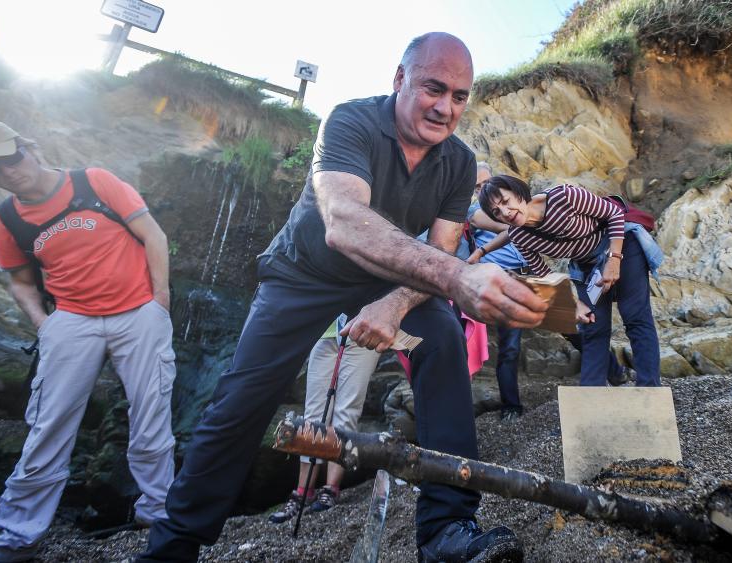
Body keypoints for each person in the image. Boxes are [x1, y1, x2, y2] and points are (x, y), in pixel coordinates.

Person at [139, 33, 548, 563]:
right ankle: (175, 542)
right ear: (400, 79)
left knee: (443, 337)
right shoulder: (350, 121)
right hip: (304, 271)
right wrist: (455, 277)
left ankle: (446, 528)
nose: (446, 107)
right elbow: (345, 224)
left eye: (460, 96)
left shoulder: (459, 162)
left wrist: (395, 305)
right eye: (433, 88)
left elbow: (443, 248)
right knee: (241, 395)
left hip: (387, 277)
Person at [0, 120, 176, 562]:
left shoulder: (94, 181)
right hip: (71, 321)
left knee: (151, 414)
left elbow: (154, 235)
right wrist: (43, 323)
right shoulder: (7, 218)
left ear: (28, 148)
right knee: (48, 425)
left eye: (12, 158)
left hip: (139, 312)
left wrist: (160, 301)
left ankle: (159, 511)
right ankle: (16, 533)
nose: (10, 172)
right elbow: (19, 280)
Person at [473, 174, 662, 387]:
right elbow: (544, 273)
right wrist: (573, 304)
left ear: (518, 193)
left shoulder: (564, 197)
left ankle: (649, 389)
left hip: (622, 246)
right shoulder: (520, 236)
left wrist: (614, 260)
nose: (505, 212)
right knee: (592, 327)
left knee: (635, 317)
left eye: (506, 202)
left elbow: (614, 214)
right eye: (497, 212)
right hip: (587, 266)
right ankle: (591, 398)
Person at [269, 315, 380, 523]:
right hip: (326, 331)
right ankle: (303, 492)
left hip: (364, 330)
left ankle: (331, 489)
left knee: (347, 411)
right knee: (313, 416)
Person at [467, 162, 528, 419]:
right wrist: (522, 222)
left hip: (531, 275)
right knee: (510, 346)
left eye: (486, 184)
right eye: (477, 187)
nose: (483, 190)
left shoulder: (511, 206)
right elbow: (505, 228)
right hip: (504, 281)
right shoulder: (475, 210)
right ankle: (511, 406)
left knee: (572, 325)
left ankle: (614, 372)